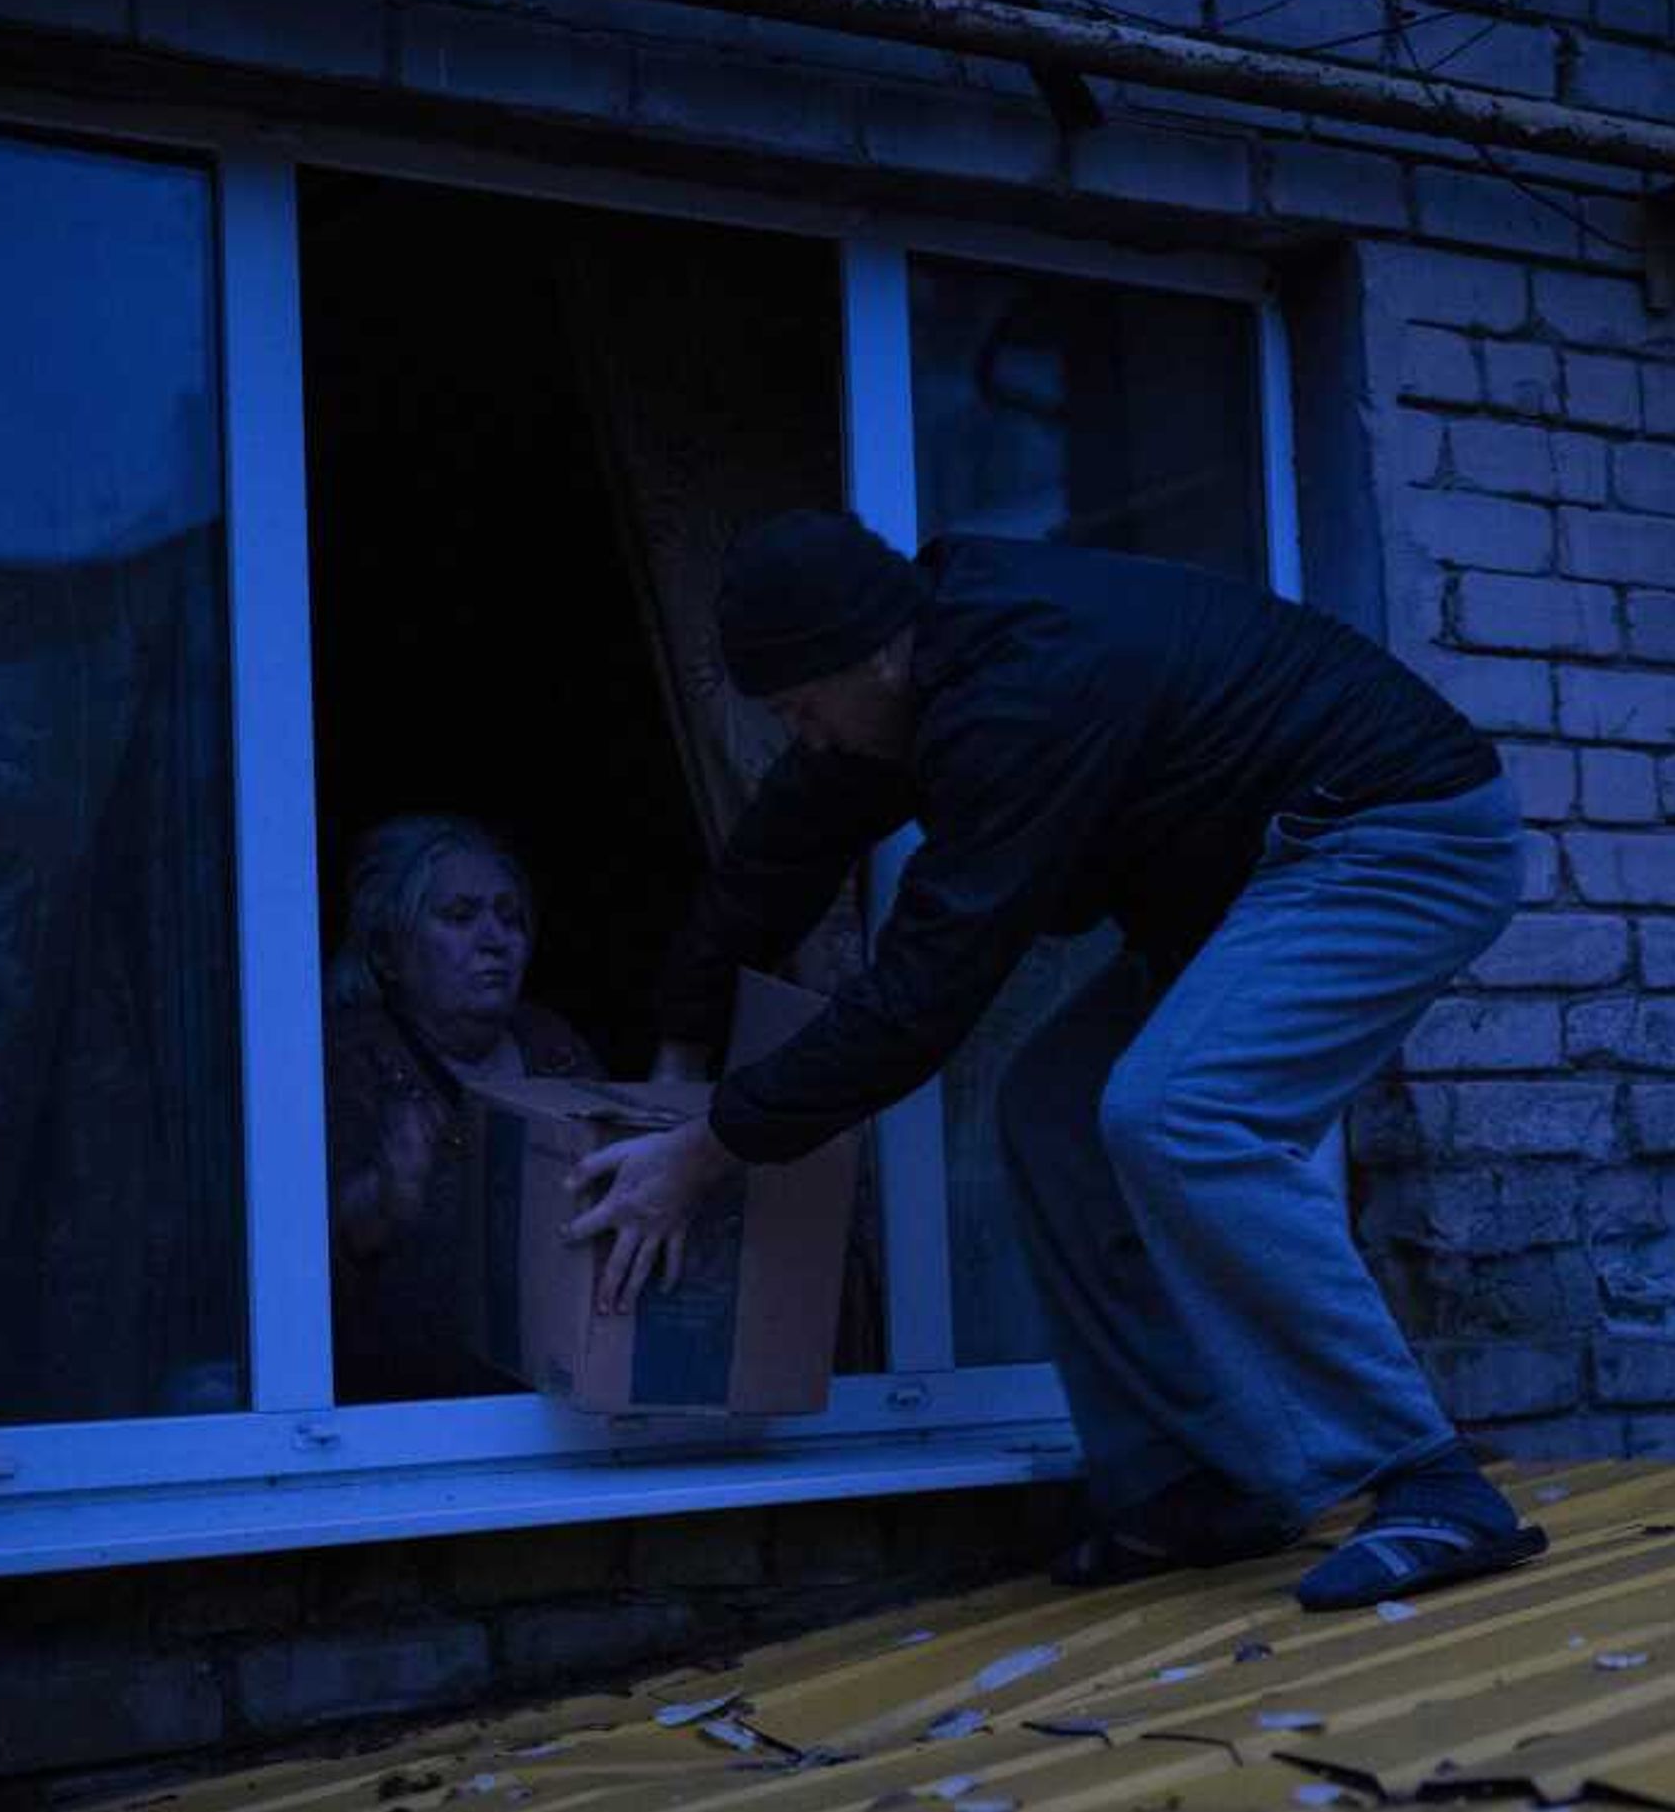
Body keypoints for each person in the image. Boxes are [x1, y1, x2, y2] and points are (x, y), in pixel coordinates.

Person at [568, 511, 1547, 1611]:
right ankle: (1205, 1474)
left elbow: (923, 997)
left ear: (876, 656)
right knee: (1052, 1109)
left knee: (1180, 1115)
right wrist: (680, 1044)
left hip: (1395, 832)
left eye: (803, 707)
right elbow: (773, 857)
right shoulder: (901, 683)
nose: (806, 735)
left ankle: (1429, 1477)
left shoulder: (1019, 694)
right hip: (1253, 879)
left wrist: (713, 1145)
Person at [324, 815, 600, 1404]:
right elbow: (296, 1273)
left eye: (510, 916)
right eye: (459, 916)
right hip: (403, 1418)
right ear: (388, 950)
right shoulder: (344, 1061)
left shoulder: (555, 1046)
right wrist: (384, 1197)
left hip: (548, 1404)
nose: (495, 939)